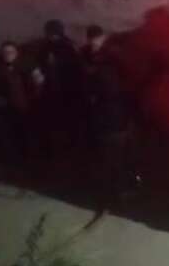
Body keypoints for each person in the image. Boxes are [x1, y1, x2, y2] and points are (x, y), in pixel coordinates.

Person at [82, 25, 138, 204]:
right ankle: (115, 188)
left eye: (97, 37)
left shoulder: (113, 57)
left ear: (103, 37)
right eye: (91, 38)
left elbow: (128, 80)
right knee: (107, 154)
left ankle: (124, 188)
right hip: (102, 115)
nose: (94, 41)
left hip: (116, 116)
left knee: (119, 154)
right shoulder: (87, 55)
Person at [34, 19, 82, 159]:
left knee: (70, 120)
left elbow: (76, 68)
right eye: (50, 34)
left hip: (68, 90)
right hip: (51, 89)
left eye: (54, 34)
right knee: (53, 120)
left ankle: (72, 146)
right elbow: (40, 64)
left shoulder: (69, 46)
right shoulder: (45, 47)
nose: (52, 36)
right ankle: (54, 149)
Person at [0, 41, 34, 168]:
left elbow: (36, 83)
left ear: (17, 53)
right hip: (7, 108)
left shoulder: (25, 66)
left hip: (25, 106)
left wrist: (33, 99)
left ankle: (28, 158)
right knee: (11, 133)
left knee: (25, 132)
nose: (8, 55)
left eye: (11, 52)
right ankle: (16, 159)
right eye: (5, 52)